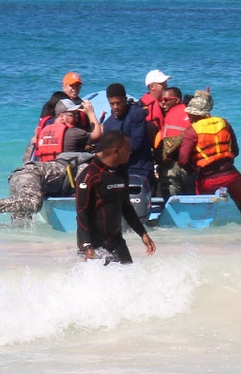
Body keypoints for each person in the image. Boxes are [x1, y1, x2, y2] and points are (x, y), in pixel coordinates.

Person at [76, 131, 156, 264]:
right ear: (116, 150)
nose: (130, 152)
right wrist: (87, 246)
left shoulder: (121, 173)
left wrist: (142, 233)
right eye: (127, 149)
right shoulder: (89, 175)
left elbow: (126, 206)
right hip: (93, 245)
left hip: (116, 241)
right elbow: (81, 213)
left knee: (129, 276)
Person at [177, 90, 241, 223]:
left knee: (202, 215)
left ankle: (206, 239)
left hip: (207, 179)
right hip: (231, 175)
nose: (188, 114)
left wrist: (192, 170)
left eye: (191, 112)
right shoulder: (223, 123)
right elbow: (235, 150)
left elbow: (183, 160)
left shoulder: (192, 131)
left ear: (197, 114)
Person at [0, 152, 92, 222]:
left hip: (20, 175)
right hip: (30, 174)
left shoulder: (78, 162)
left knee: (21, 224)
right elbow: (83, 185)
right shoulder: (86, 167)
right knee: (33, 203)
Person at [101, 83, 155, 193]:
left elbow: (136, 144)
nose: (115, 106)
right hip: (118, 170)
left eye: (118, 103)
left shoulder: (137, 114)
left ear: (125, 99)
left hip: (140, 168)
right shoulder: (108, 124)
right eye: (112, 104)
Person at [153, 86, 193, 197]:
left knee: (172, 199)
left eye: (166, 100)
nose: (162, 104)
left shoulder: (172, 115)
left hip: (173, 166)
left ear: (176, 100)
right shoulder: (189, 113)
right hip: (186, 166)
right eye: (160, 100)